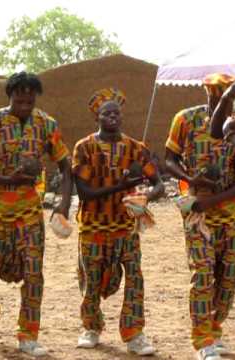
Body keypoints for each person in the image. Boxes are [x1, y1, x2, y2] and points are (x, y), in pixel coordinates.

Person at [0, 71, 72, 357]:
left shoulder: (46, 125)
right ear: (10, 96)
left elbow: (65, 166)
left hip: (29, 213)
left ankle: (28, 334)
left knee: (34, 274)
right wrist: (5, 179)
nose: (25, 102)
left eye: (30, 97)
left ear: (35, 97)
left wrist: (63, 204)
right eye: (19, 97)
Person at [73, 88, 164, 355]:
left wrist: (146, 196)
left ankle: (135, 333)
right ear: (96, 118)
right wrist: (120, 186)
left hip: (126, 228)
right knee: (91, 281)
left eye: (116, 112)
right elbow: (85, 193)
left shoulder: (136, 148)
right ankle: (91, 327)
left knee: (135, 277)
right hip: (93, 227)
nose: (112, 116)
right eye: (106, 113)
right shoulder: (85, 147)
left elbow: (158, 183)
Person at [165, 73, 235, 360]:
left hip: (230, 215)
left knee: (228, 278)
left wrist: (215, 201)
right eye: (215, 91)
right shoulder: (185, 119)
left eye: (226, 92)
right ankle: (203, 340)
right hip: (198, 214)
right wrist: (190, 178)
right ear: (206, 90)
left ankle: (214, 330)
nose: (220, 95)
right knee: (203, 273)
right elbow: (169, 159)